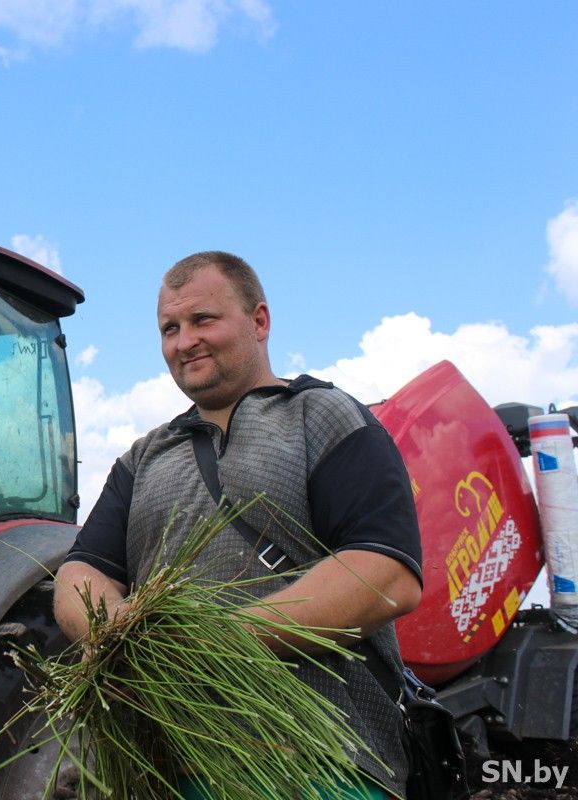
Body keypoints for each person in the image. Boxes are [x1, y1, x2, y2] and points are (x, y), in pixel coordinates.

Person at [54, 251, 423, 798]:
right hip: (166, 771)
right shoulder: (144, 457)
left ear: (259, 320)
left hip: (321, 765)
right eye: (170, 329)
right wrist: (119, 633)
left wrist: (213, 644)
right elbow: (80, 573)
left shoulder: (323, 416)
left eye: (203, 320)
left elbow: (387, 574)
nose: (184, 342)